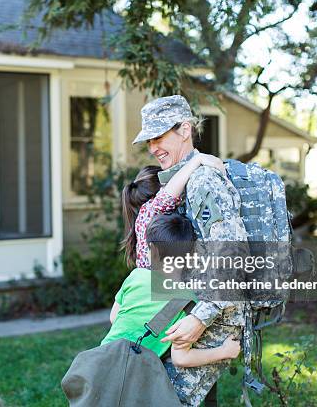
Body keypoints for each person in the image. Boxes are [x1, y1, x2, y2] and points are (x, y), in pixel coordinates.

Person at [132, 94, 249, 405]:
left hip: (212, 313)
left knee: (162, 397)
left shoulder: (203, 182)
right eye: (149, 140)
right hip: (186, 307)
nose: (153, 147)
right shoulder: (182, 180)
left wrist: (200, 318)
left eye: (159, 136)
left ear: (184, 130)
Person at [102, 213, 240, 368]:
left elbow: (114, 317)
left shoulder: (136, 275)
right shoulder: (187, 301)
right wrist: (225, 351)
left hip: (103, 360)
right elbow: (181, 358)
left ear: (152, 249)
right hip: (134, 375)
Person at [121, 153, 225, 270]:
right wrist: (198, 159)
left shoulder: (147, 220)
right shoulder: (148, 212)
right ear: (161, 188)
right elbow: (166, 196)